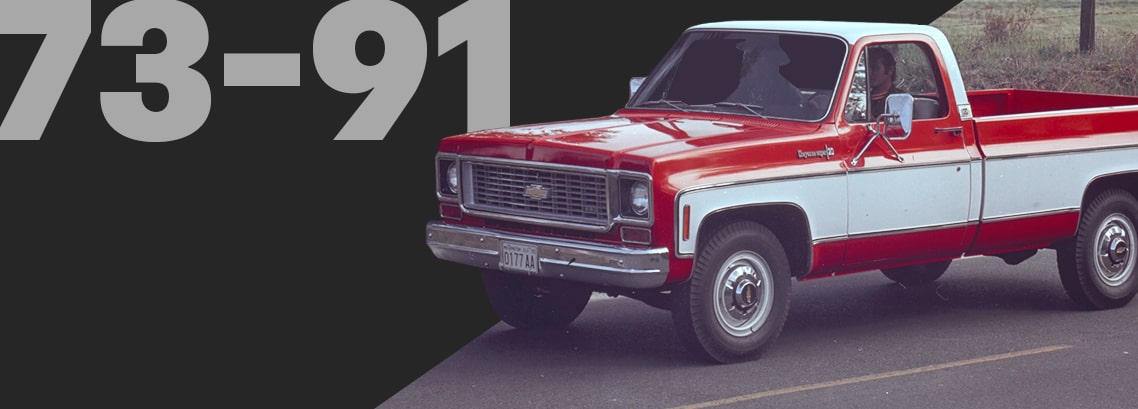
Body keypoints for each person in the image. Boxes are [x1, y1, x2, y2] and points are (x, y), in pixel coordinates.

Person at [867, 47, 904, 119]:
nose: (870, 73)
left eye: (875, 68)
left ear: (890, 70)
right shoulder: (863, 98)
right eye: (868, 68)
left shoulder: (900, 99)